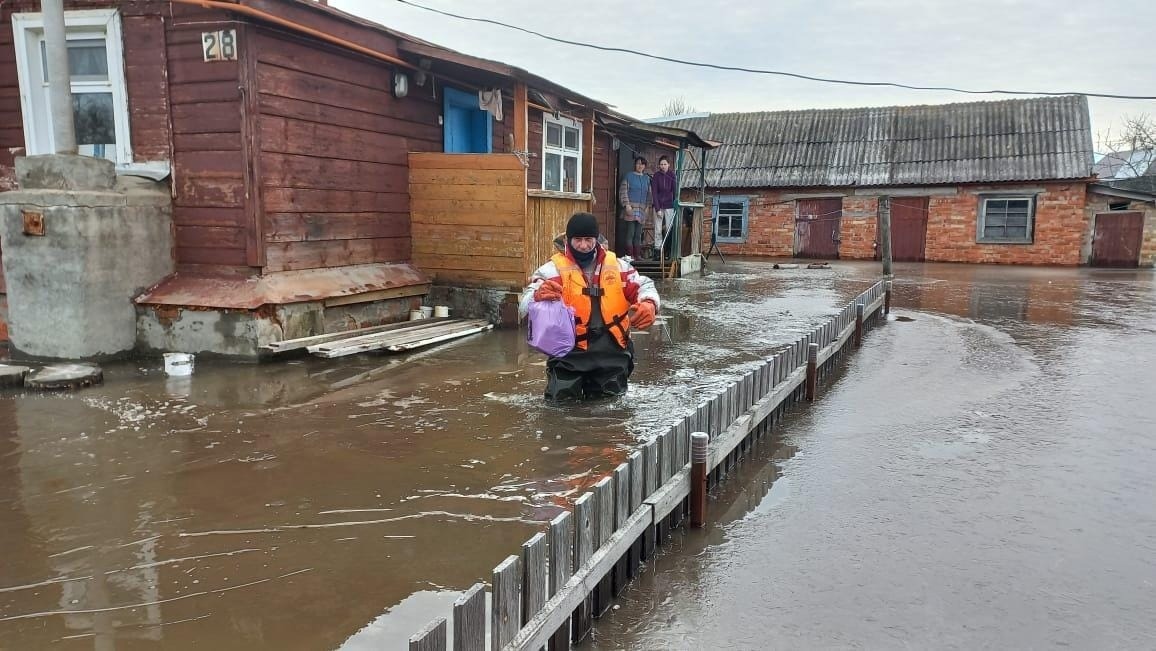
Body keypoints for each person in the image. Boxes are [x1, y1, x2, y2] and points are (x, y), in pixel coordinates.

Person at [520, 212, 660, 401]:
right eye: (578, 240)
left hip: (611, 351)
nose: (584, 245)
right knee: (559, 406)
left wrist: (650, 303)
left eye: (589, 239)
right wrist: (536, 297)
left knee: (611, 409)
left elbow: (644, 285)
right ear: (568, 239)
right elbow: (523, 306)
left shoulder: (619, 267)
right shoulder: (550, 271)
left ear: (596, 239)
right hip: (568, 352)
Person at [618, 156, 651, 259]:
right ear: (635, 165)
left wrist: (647, 206)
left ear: (644, 166)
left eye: (642, 164)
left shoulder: (646, 178)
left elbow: (649, 194)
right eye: (638, 163)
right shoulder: (629, 176)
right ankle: (629, 255)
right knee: (630, 233)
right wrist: (627, 205)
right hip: (631, 208)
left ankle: (637, 255)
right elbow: (623, 190)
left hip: (641, 209)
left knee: (638, 234)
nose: (640, 166)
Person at [651, 155, 677, 260]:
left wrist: (675, 205)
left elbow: (675, 191)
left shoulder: (672, 175)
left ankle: (667, 251)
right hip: (658, 206)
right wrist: (657, 209)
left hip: (669, 206)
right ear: (659, 165)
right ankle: (657, 252)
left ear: (669, 165)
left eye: (665, 164)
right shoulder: (656, 176)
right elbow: (654, 193)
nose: (663, 166)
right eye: (661, 164)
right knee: (657, 229)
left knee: (668, 228)